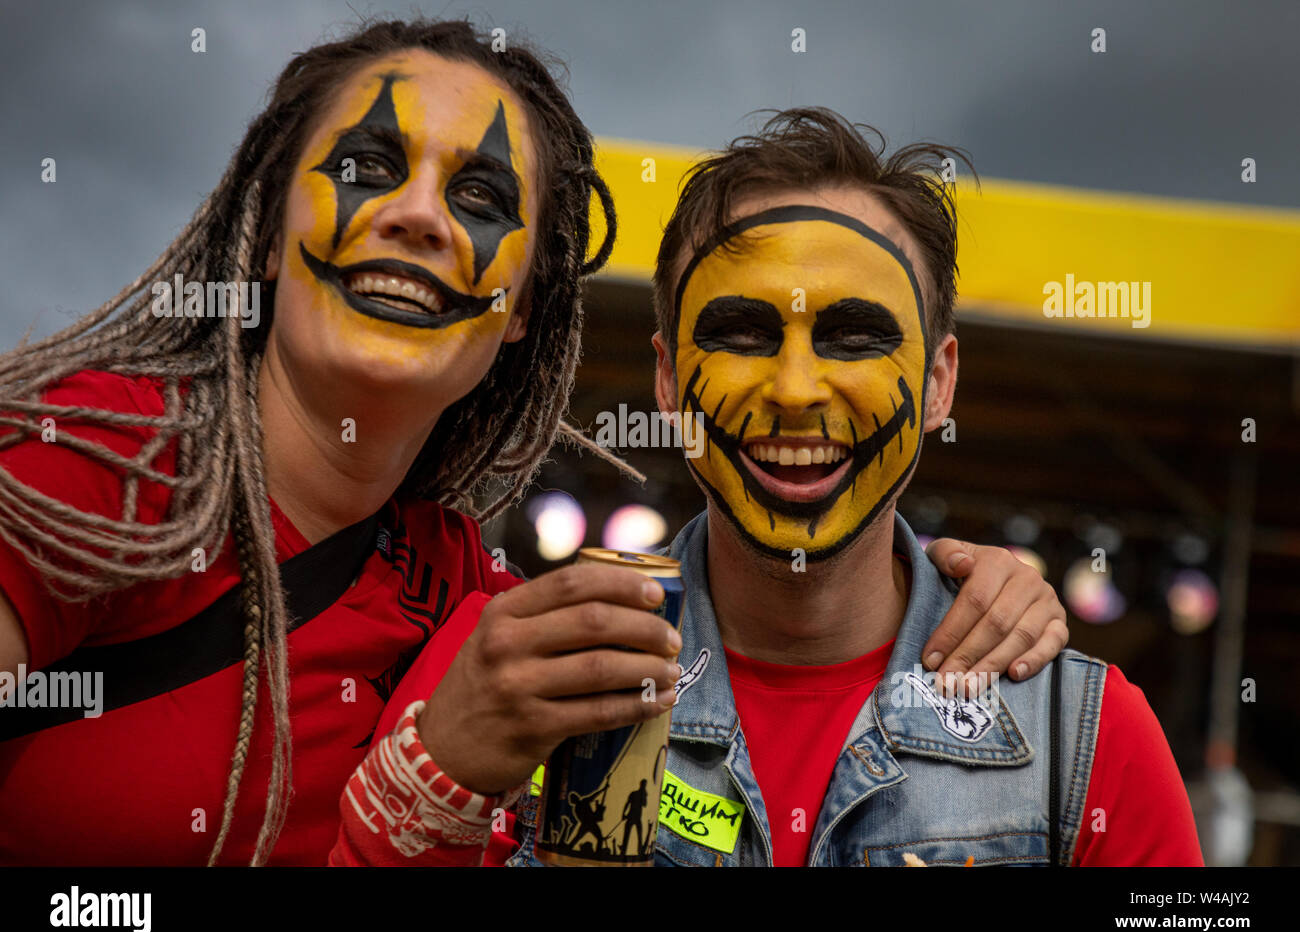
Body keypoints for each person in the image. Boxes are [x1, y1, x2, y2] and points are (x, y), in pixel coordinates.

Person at [0, 20, 1055, 868]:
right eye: (370, 165)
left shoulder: (473, 600)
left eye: (479, 197)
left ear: (517, 309)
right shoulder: (106, 461)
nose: (419, 217)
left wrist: (970, 590)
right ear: (268, 228)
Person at [328, 114, 1094, 867]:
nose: (795, 391)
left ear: (938, 383)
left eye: (855, 338)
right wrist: (441, 783)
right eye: (742, 335)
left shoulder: (1081, 736)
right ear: (667, 378)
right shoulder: (494, 666)